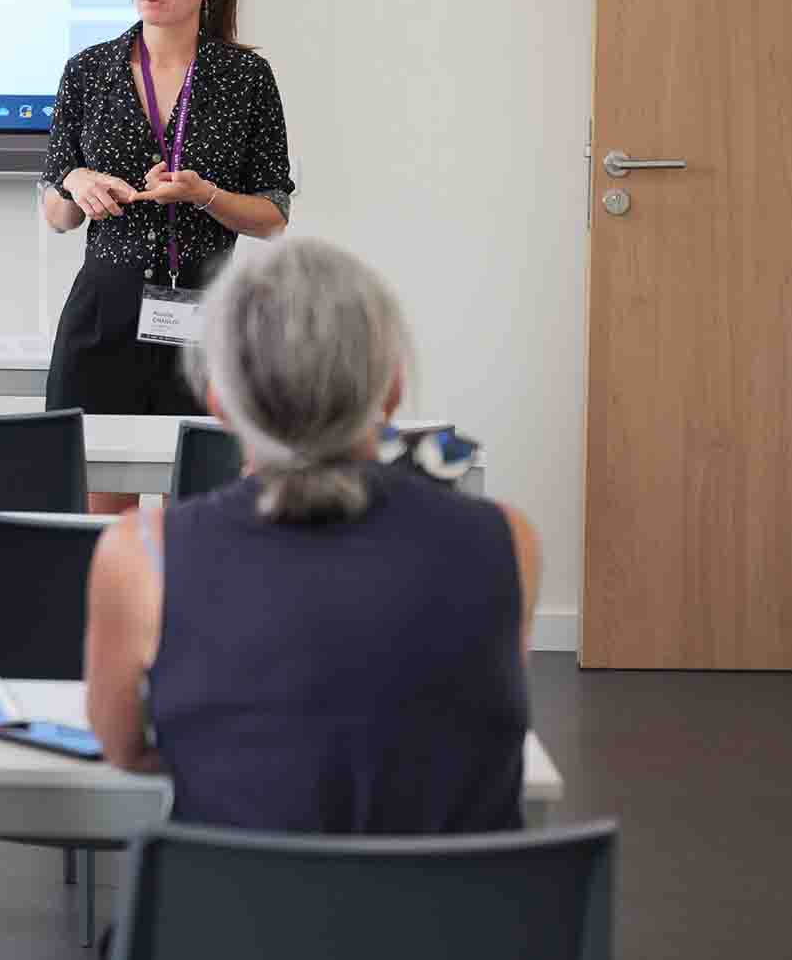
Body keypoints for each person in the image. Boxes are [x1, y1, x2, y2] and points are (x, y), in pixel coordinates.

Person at [83, 237, 540, 832]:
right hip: (443, 922)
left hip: (226, 919)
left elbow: (127, 749)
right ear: (393, 388)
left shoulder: (141, 554)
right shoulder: (507, 541)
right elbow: (475, 738)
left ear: (217, 401)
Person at [38, 0, 292, 511]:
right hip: (105, 317)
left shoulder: (245, 79)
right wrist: (78, 183)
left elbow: (273, 217)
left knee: (201, 526)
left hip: (203, 319)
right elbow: (57, 213)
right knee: (107, 526)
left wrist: (204, 195)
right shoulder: (87, 71)